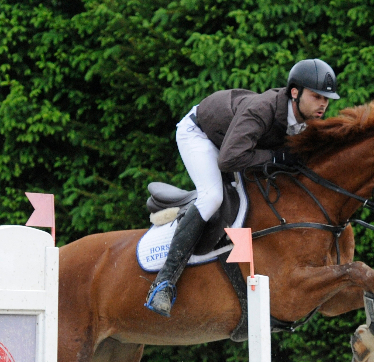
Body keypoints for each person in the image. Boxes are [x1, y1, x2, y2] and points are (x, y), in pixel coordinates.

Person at [145, 59, 341, 316]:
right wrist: (275, 158)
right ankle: (163, 282)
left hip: (235, 144)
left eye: (327, 98)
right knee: (212, 197)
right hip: (201, 135)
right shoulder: (262, 110)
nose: (323, 104)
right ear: (295, 92)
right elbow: (228, 159)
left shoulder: (305, 120)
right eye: (316, 96)